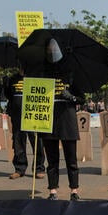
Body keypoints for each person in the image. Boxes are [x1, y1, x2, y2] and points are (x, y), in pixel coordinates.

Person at [34, 38, 85, 200]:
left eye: (54, 49)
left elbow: (82, 99)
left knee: (71, 159)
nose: (52, 52)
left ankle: (74, 190)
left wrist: (71, 97)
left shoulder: (71, 73)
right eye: (49, 50)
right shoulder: (41, 73)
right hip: (48, 121)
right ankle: (53, 190)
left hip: (67, 120)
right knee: (52, 160)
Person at [4, 64, 45, 179]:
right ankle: (19, 168)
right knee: (18, 143)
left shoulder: (35, 78)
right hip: (17, 116)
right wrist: (5, 85)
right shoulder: (13, 79)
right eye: (20, 64)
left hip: (32, 116)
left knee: (37, 142)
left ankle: (39, 168)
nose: (22, 67)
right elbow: (9, 96)